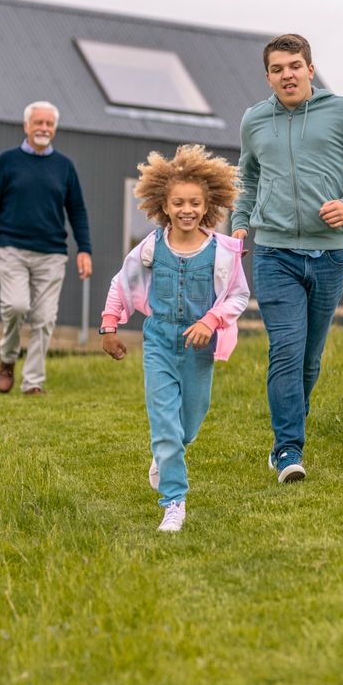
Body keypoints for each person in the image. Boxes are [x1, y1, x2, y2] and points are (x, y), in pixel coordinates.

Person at [230, 33, 343, 483]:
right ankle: (288, 450)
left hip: (330, 255)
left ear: (310, 69)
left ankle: (289, 430)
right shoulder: (255, 120)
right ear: (268, 78)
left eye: (295, 66)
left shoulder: (342, 112)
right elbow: (248, 176)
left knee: (309, 359)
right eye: (277, 69)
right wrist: (240, 222)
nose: (287, 75)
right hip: (275, 252)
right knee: (286, 349)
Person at [101, 145, 249, 532]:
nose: (187, 209)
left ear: (207, 206)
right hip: (159, 343)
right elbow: (122, 282)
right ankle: (174, 501)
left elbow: (239, 295)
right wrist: (109, 324)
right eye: (178, 202)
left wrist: (212, 319)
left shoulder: (222, 253)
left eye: (195, 203)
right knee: (164, 422)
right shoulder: (150, 247)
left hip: (199, 347)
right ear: (164, 206)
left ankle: (168, 454)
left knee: (192, 417)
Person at [0, 101, 92, 395]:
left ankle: (33, 382)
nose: (43, 128)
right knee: (16, 306)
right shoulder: (7, 161)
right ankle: (7, 357)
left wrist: (84, 249)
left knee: (45, 318)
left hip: (52, 254)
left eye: (49, 124)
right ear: (26, 126)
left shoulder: (65, 167)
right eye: (38, 123)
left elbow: (77, 210)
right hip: (11, 248)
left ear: (54, 129)